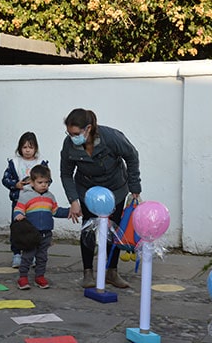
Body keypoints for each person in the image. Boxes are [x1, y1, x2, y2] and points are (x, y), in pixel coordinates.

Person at [60, 108, 141, 289]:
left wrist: (135, 187)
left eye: (75, 133)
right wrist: (73, 200)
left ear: (88, 128)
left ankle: (112, 271)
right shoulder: (69, 144)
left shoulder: (111, 137)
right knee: (88, 229)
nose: (72, 137)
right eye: (69, 133)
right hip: (87, 191)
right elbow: (66, 173)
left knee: (114, 231)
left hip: (115, 189)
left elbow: (132, 156)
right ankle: (88, 272)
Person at [12, 164, 70, 290]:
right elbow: (18, 208)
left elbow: (55, 211)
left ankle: (40, 277)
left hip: (46, 233)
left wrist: (70, 212)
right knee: (28, 256)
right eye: (40, 182)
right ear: (32, 182)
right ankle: (23, 277)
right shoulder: (25, 195)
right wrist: (19, 215)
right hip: (31, 233)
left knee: (42, 256)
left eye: (46, 182)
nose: (44, 185)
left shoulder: (50, 197)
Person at [1, 131, 47, 268]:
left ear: (35, 149)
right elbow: (5, 179)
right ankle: (16, 254)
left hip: (35, 202)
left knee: (33, 228)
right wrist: (16, 185)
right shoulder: (14, 163)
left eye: (31, 147)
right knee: (17, 227)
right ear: (20, 148)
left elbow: (47, 179)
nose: (27, 150)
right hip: (18, 201)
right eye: (25, 147)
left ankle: (30, 254)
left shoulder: (41, 163)